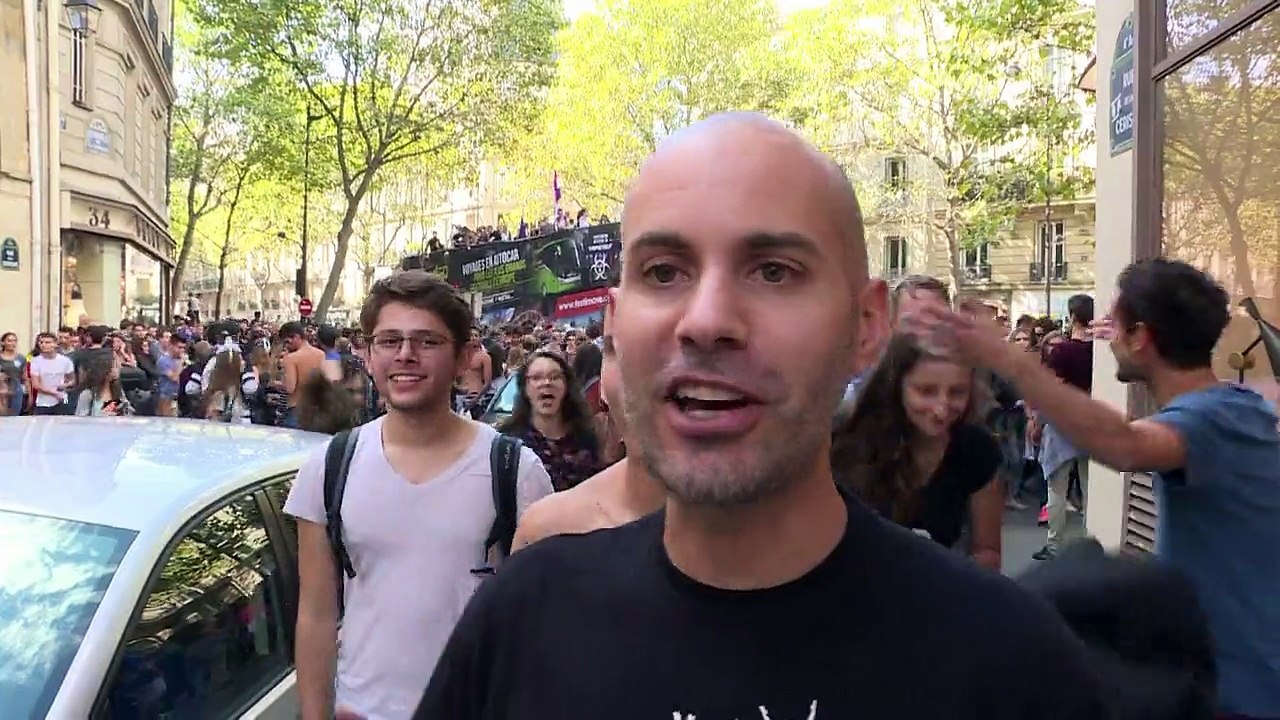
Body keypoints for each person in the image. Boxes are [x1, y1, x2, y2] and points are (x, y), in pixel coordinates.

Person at [413, 113, 1103, 719]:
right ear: (617, 325)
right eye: (663, 271)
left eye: (773, 270)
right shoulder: (523, 620)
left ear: (866, 326)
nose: (707, 320)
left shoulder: (1011, 664)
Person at [902, 257, 1280, 718]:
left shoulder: (1210, 420)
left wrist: (1009, 360)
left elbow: (1125, 446)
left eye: (1117, 325)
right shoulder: (1238, 407)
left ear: (1141, 337)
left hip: (1240, 692)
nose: (1108, 334)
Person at [284, 271, 553, 720]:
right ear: (368, 355)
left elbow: (542, 624)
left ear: (464, 355)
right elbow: (315, 614)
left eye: (427, 341)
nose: (405, 355)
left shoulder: (514, 472)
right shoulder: (328, 468)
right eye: (389, 340)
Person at [832, 334, 1003, 571]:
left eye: (957, 392)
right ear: (896, 385)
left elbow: (988, 552)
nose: (941, 409)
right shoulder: (847, 443)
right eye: (926, 391)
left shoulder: (976, 449)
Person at [498, 350, 601, 492]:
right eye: (536, 378)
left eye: (554, 377)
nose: (546, 383)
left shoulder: (586, 438)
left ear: (566, 386)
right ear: (525, 388)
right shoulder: (509, 443)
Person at [280, 321, 325, 428]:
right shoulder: (321, 354)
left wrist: (278, 383)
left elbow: (290, 388)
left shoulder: (291, 359)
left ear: (296, 337)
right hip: (316, 408)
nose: (286, 346)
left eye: (287, 342)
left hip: (296, 408)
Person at [29, 332, 75, 415]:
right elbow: (36, 384)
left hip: (62, 400)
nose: (43, 345)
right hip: (43, 402)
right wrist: (54, 393)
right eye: (41, 342)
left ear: (55, 344)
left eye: (47, 342)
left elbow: (72, 380)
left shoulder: (65, 361)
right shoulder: (35, 361)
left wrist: (65, 385)